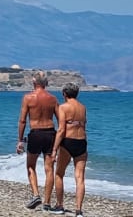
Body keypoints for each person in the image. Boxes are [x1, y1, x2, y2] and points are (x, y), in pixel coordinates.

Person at [17, 71, 60, 210]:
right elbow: (61, 121)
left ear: (34, 82)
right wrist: (60, 140)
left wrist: (20, 140)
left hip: (35, 133)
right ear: (46, 83)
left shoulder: (28, 98)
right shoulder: (53, 99)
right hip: (50, 133)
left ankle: (36, 194)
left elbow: (22, 121)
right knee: (49, 169)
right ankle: (47, 202)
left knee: (30, 166)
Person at [45, 83, 88, 216]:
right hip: (81, 142)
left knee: (59, 173)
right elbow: (83, 126)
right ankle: (79, 210)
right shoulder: (83, 107)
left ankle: (60, 205)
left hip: (68, 141)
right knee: (80, 177)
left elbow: (61, 129)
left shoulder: (63, 107)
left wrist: (54, 149)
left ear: (64, 94)